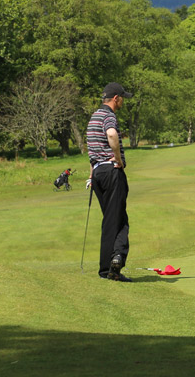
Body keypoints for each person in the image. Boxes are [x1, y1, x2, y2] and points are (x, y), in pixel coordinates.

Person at [87, 82, 134, 282]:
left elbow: (91, 152)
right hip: (111, 171)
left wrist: (91, 176)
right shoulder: (109, 116)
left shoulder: (93, 118)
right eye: (122, 97)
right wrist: (118, 158)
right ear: (116, 98)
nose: (123, 101)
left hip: (98, 173)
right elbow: (112, 134)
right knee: (119, 221)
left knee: (112, 219)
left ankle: (112, 264)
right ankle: (111, 265)